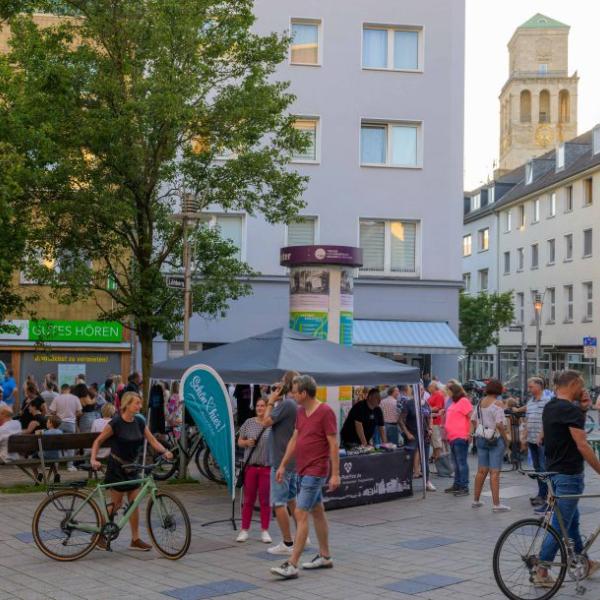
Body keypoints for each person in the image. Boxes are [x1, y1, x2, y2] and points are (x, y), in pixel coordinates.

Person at [271, 375, 340, 580]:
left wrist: (335, 474)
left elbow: (333, 444)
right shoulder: (301, 412)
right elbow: (295, 438)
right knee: (317, 511)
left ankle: (292, 564)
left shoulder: (325, 412)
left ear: (304, 393)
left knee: (300, 513)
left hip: (316, 470)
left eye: (294, 391)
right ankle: (325, 556)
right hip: (302, 469)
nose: (291, 394)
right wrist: (283, 465)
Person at [535, 371, 600, 587]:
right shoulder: (569, 410)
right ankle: (542, 571)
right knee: (559, 526)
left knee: (571, 522)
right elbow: (582, 444)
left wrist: (581, 409)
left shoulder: (551, 406)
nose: (583, 390)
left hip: (553, 472)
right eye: (581, 385)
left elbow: (544, 437)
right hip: (569, 474)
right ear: (573, 384)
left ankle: (585, 562)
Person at [90, 391, 173, 552]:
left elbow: (153, 441)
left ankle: (135, 540)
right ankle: (98, 535)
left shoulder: (140, 421)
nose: (140, 406)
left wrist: (164, 452)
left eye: (140, 403)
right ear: (127, 404)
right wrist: (94, 459)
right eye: (137, 403)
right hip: (117, 467)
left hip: (133, 467)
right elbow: (98, 441)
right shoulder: (116, 423)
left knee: (134, 504)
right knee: (116, 504)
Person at [262, 370, 300, 556]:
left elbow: (266, 422)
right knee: (292, 499)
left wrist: (270, 400)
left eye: (283, 381)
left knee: (279, 503)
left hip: (281, 459)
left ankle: (287, 542)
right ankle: (302, 535)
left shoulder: (287, 404)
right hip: (292, 459)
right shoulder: (296, 404)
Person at [236, 398, 272, 544]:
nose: (260, 408)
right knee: (248, 500)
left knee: (265, 500)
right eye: (258, 405)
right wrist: (245, 443)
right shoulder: (249, 422)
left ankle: (265, 530)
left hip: (266, 468)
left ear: (267, 407)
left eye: (263, 406)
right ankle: (244, 530)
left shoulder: (271, 424)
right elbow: (239, 441)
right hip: (250, 467)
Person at [471, 379, 510, 512]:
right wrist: (506, 440)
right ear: (498, 390)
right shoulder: (498, 403)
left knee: (481, 470)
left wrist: (481, 429)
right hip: (495, 439)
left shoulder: (480, 403)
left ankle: (476, 500)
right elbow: (499, 424)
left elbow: (473, 419)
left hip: (481, 438)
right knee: (494, 472)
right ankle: (496, 504)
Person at [398, 385, 436, 491]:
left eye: (422, 389)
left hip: (425, 435)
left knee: (425, 460)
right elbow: (400, 420)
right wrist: (407, 433)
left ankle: (427, 481)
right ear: (414, 391)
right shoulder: (409, 403)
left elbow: (430, 417)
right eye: (419, 389)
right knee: (408, 459)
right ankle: (406, 482)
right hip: (412, 436)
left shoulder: (426, 403)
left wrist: (431, 428)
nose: (421, 391)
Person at [524, 377, 551, 511]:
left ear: (540, 386)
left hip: (542, 440)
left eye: (531, 387)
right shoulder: (530, 402)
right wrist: (525, 437)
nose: (529, 389)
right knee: (537, 468)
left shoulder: (547, 401)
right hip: (531, 439)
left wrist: (541, 435)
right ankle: (541, 494)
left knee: (543, 468)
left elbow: (547, 421)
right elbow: (528, 419)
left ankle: (545, 496)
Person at [444, 381, 473, 497]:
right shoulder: (454, 402)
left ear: (453, 391)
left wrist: (470, 434)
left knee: (461, 463)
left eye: (448, 391)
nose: (447, 393)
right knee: (456, 463)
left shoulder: (464, 401)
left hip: (461, 436)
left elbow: (472, 417)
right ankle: (457, 484)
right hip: (452, 437)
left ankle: (464, 487)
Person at [49, 384, 82, 471]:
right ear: (69, 389)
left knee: (58, 444)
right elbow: (80, 412)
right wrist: (73, 416)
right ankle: (70, 466)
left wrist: (58, 416)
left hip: (59, 424)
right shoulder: (75, 398)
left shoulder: (57, 398)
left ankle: (56, 464)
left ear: (61, 389)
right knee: (70, 445)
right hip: (71, 424)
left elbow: (52, 411)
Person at [39, 415, 63, 482]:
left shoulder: (45, 433)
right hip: (58, 455)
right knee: (52, 459)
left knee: (34, 457)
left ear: (51, 424)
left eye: (47, 422)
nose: (46, 423)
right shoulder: (61, 432)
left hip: (46, 455)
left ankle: (38, 476)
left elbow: (41, 445)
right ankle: (56, 474)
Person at [428, 382, 446, 460]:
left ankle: (438, 460)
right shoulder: (432, 395)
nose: (428, 388)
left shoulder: (438, 395)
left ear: (434, 387)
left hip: (436, 420)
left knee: (437, 441)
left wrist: (427, 409)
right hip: (432, 420)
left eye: (430, 386)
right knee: (434, 441)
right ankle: (435, 456)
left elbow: (438, 407)